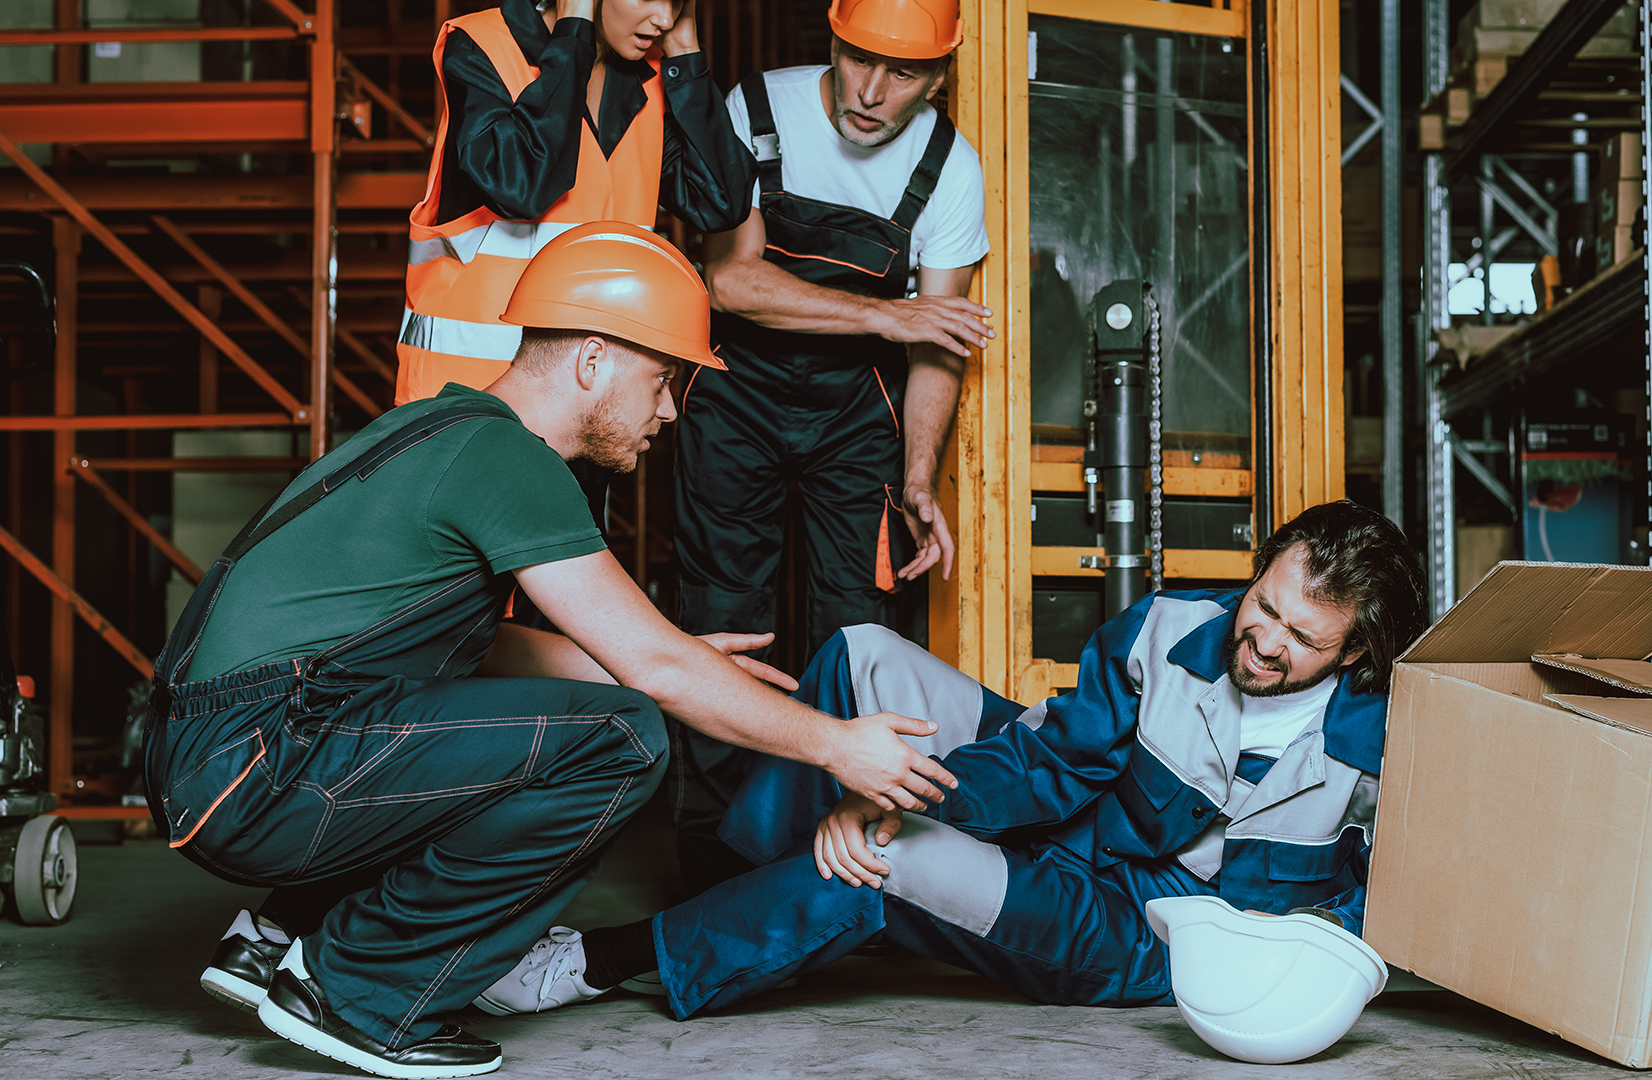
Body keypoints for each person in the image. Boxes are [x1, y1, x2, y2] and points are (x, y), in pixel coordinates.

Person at [147, 223, 957, 1080]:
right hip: (257, 763)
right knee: (623, 736)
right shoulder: (509, 460)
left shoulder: (448, 430)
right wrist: (835, 743)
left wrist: (677, 658)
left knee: (574, 710)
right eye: (665, 381)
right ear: (594, 359)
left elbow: (479, 647)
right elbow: (657, 676)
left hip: (222, 755)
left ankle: (290, 941)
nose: (671, 411)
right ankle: (354, 989)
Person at [476, 500, 1428, 1018]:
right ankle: (751, 894)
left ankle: (606, 959)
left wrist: (884, 813)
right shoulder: (1175, 629)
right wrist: (883, 781)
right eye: (1262, 604)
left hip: (1132, 932)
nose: (1260, 641)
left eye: (1299, 640)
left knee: (886, 855)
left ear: (1353, 652)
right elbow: (1053, 761)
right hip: (1069, 822)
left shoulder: (1376, 753)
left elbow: (1365, 901)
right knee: (863, 654)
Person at [669, 0, 994, 896]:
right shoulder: (755, 112)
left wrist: (919, 473)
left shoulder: (949, 169)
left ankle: (842, 858)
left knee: (859, 634)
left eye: (901, 73)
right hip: (731, 398)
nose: (869, 89)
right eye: (858, 59)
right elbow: (730, 281)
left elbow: (939, 342)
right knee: (723, 619)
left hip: (860, 416)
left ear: (937, 79)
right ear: (835, 43)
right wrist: (887, 313)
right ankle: (713, 865)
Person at [397, 0, 752, 406]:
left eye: (677, 2)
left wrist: (686, 54)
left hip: (584, 403)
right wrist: (575, 30)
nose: (665, 19)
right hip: (462, 397)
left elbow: (721, 202)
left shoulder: (647, 77)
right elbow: (523, 186)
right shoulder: (483, 45)